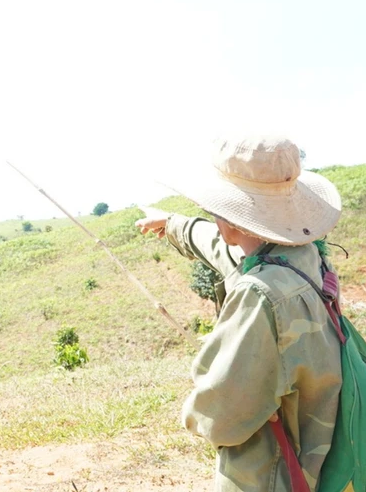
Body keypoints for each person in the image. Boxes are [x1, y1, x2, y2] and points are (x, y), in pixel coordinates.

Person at [136, 135, 343, 492]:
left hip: (277, 475)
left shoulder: (260, 294)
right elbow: (223, 248)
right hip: (326, 460)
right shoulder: (302, 256)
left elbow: (222, 418)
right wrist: (171, 223)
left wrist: (196, 414)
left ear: (230, 221)